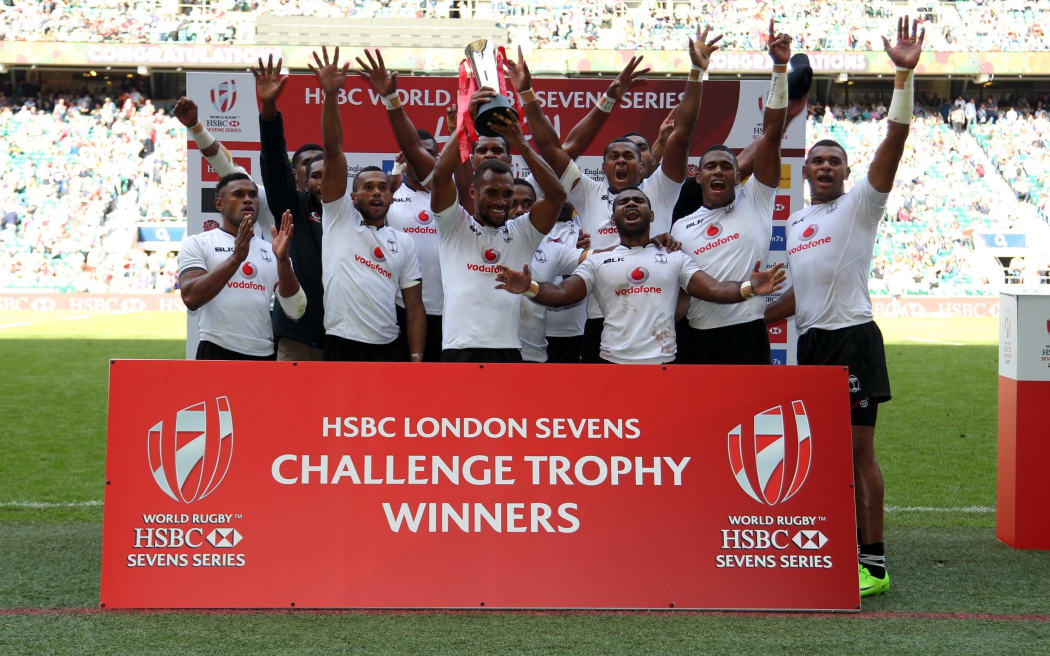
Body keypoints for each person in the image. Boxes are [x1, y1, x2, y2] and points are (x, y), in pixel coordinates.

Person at [765, 15, 926, 599]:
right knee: (825, 455)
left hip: (853, 339)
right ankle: (841, 547)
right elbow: (800, 295)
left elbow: (895, 141)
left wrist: (902, 78)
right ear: (805, 171)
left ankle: (874, 564)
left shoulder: (861, 205)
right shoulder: (797, 222)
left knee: (859, 453)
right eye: (818, 161)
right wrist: (751, 312)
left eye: (835, 161)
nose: (826, 166)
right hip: (812, 344)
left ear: (847, 172)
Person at [508, 28, 716, 362]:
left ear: (643, 163)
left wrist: (696, 72)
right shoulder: (588, 192)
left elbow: (682, 134)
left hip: (655, 321)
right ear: (603, 167)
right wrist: (527, 93)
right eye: (613, 156)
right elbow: (550, 147)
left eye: (629, 156)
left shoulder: (659, 189)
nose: (621, 161)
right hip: (599, 320)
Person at [495, 187, 785, 364]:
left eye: (638, 200)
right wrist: (529, 286)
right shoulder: (598, 261)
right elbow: (561, 294)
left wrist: (749, 287)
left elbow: (714, 289)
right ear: (613, 218)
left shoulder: (674, 257)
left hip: (664, 364)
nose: (631, 204)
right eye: (623, 202)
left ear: (652, 215)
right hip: (611, 365)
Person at [670, 20, 791, 365]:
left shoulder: (756, 200)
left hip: (747, 335)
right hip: (697, 339)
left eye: (726, 166)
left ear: (738, 176)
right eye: (710, 166)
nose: (719, 171)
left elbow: (771, 133)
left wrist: (779, 69)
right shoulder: (681, 227)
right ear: (698, 178)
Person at [429, 98, 568, 362]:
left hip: (508, 351)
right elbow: (440, 176)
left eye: (507, 194)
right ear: (473, 192)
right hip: (458, 350)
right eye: (492, 192)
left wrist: (520, 143)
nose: (501, 201)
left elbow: (557, 196)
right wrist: (465, 123)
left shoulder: (522, 232)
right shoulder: (454, 224)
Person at [311, 46, 425, 362]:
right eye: (368, 187)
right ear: (353, 196)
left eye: (383, 188)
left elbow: (414, 306)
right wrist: (331, 95)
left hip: (388, 348)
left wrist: (417, 358)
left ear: (392, 195)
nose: (377, 193)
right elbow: (333, 151)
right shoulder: (338, 217)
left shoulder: (403, 242)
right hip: (340, 343)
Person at [178, 173, 306, 360]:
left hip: (264, 354)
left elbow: (295, 311)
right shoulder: (199, 243)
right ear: (219, 204)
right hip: (216, 349)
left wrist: (283, 261)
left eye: (253, 195)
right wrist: (236, 258)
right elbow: (191, 298)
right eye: (238, 194)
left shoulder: (272, 249)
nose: (248, 199)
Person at [252, 55, 328, 361]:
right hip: (299, 337)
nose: (323, 180)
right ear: (305, 182)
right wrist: (268, 109)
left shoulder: (356, 214)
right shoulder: (295, 209)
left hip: (345, 338)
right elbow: (275, 166)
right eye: (316, 175)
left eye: (330, 174)